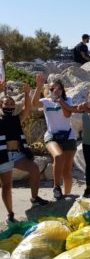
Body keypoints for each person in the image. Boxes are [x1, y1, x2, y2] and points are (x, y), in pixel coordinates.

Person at [0, 81, 49, 223]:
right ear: (1, 106)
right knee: (7, 187)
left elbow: (27, 108)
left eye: (11, 103)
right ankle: (10, 214)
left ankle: (34, 198)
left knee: (34, 169)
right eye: (6, 103)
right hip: (3, 156)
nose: (9, 105)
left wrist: (27, 93)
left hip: (18, 154)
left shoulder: (17, 118)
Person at [32, 75, 79, 200]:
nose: (55, 91)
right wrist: (38, 87)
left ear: (62, 90)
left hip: (68, 136)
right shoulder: (46, 102)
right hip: (52, 136)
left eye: (58, 89)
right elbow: (34, 104)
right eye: (52, 89)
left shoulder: (67, 100)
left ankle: (68, 196)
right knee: (58, 156)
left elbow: (67, 114)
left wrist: (60, 101)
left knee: (67, 171)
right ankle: (56, 187)